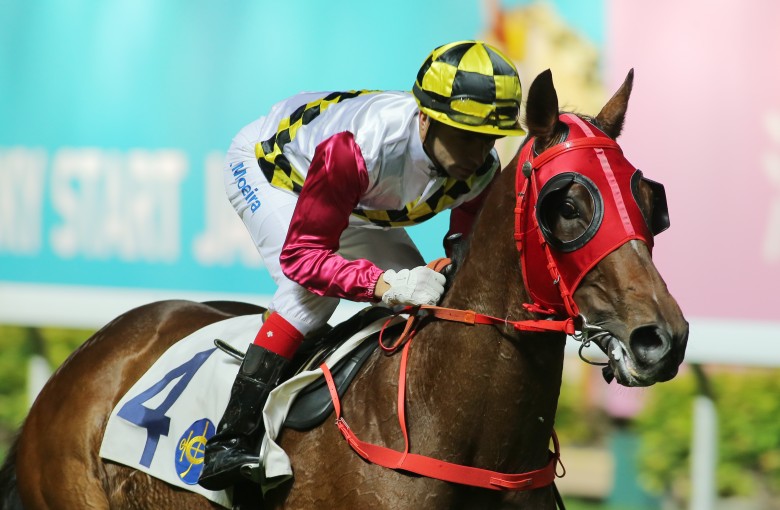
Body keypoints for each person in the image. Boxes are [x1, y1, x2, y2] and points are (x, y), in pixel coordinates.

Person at [198, 40, 525, 490]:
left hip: (352, 203)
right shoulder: (359, 148)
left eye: (489, 137)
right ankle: (229, 441)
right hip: (270, 170)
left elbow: (463, 249)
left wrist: (446, 270)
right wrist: (383, 284)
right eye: (463, 133)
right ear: (426, 117)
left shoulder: (482, 171)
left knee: (431, 303)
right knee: (310, 301)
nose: (477, 152)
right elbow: (303, 258)